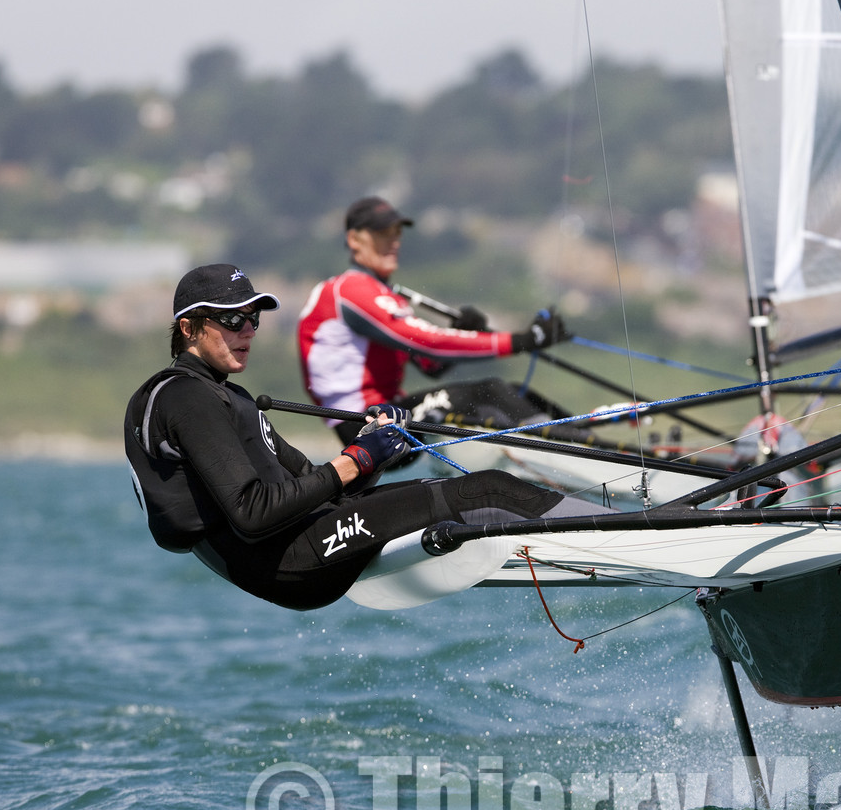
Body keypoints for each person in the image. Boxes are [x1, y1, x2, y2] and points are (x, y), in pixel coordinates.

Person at [126, 263, 599, 611]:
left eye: (253, 318)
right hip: (286, 560)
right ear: (188, 327)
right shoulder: (186, 398)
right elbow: (253, 513)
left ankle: (610, 528)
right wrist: (356, 459)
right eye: (232, 320)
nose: (247, 330)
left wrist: (376, 445)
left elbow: (316, 481)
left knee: (477, 492)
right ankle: (635, 528)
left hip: (303, 540)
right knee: (489, 490)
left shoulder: (229, 397)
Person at [298, 196, 569, 445]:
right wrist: (523, 340)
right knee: (490, 392)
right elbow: (429, 343)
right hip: (364, 425)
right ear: (354, 240)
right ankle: (566, 449)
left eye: (397, 233)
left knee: (512, 392)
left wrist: (460, 331)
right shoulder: (351, 291)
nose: (394, 242)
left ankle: (580, 431)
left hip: (389, 412)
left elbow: (431, 365)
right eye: (382, 234)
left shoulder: (383, 295)